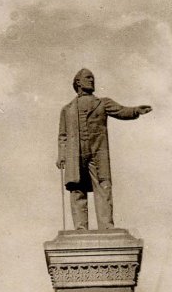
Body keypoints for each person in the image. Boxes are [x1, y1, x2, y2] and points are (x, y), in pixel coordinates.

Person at [56, 68, 152, 230]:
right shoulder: (67, 109)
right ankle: (80, 228)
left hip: (97, 152)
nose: (92, 80)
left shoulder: (103, 103)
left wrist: (136, 110)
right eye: (88, 78)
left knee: (103, 186)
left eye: (93, 78)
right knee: (77, 189)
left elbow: (122, 111)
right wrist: (62, 155)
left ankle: (106, 225)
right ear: (78, 82)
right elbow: (63, 135)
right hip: (75, 154)